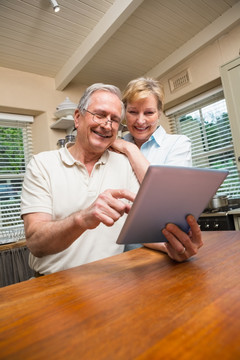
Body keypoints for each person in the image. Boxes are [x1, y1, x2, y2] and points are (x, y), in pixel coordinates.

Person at [21, 83, 202, 276]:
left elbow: (140, 227)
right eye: (99, 114)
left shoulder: (124, 164)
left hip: (110, 283)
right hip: (51, 285)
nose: (107, 124)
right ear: (77, 118)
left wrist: (174, 247)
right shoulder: (42, 164)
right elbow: (35, 244)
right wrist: (82, 218)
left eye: (115, 120)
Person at [110, 77, 200, 256]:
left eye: (149, 112)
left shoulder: (178, 144)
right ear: (124, 113)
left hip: (166, 250)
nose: (140, 121)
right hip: (120, 252)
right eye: (133, 112)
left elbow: (166, 195)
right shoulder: (113, 147)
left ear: (159, 113)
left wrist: (130, 149)